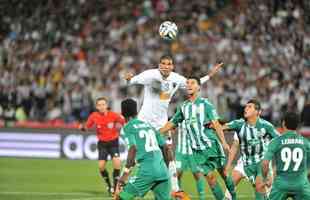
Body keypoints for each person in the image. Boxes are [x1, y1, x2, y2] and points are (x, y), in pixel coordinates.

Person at [125, 54, 223, 193]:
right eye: (163, 63)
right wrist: (128, 78)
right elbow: (133, 80)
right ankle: (126, 180)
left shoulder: (177, 79)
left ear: (172, 66)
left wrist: (210, 75)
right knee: (137, 151)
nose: (166, 66)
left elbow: (195, 83)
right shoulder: (149, 75)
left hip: (161, 122)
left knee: (168, 152)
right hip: (145, 120)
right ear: (159, 65)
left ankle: (175, 187)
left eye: (169, 64)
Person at [160, 77, 236, 200]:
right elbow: (173, 122)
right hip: (198, 151)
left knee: (224, 174)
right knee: (210, 179)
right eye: (187, 83)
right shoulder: (183, 107)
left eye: (192, 83)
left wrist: (223, 142)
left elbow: (216, 124)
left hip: (211, 145)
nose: (189, 85)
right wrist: (157, 132)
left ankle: (234, 196)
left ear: (198, 87)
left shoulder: (205, 104)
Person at [114, 98, 171, 200]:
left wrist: (125, 174)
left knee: (120, 197)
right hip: (163, 171)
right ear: (136, 112)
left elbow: (133, 148)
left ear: (122, 113)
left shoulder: (127, 128)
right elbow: (166, 148)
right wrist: (165, 168)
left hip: (147, 172)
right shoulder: (149, 126)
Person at [222, 99, 279, 200]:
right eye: (246, 106)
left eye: (249, 107)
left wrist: (274, 169)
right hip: (244, 162)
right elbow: (235, 146)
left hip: (261, 162)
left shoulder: (266, 126)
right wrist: (228, 166)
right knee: (230, 185)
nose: (245, 108)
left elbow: (279, 141)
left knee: (260, 190)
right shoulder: (240, 126)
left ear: (258, 112)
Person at [79, 97, 125, 195]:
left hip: (113, 142)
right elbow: (87, 127)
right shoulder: (94, 116)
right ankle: (109, 185)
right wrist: (81, 127)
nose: (102, 106)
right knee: (101, 167)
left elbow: (124, 121)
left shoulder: (114, 115)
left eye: (103, 104)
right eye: (99, 105)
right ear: (97, 107)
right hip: (102, 144)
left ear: (107, 105)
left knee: (117, 164)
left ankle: (115, 188)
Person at [262, 112, 310, 200]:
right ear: (298, 125)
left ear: (283, 123)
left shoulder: (276, 141)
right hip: (301, 185)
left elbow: (265, 163)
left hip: (281, 185)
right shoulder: (305, 142)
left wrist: (265, 178)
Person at [175, 122, 206, 200]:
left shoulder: (196, 114)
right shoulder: (179, 115)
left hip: (194, 150)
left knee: (197, 173)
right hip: (181, 149)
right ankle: (178, 196)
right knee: (177, 173)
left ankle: (202, 197)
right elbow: (171, 124)